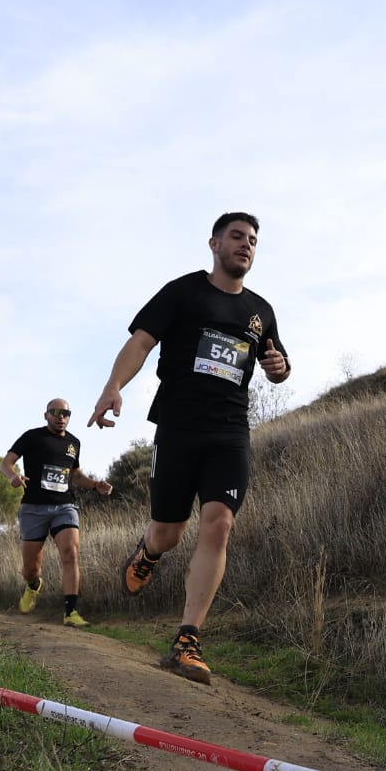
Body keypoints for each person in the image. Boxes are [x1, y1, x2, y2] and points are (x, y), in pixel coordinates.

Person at [93, 212, 290, 684]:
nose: (246, 246)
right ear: (214, 243)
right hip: (179, 428)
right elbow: (140, 343)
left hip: (230, 434)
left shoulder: (260, 311)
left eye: (253, 241)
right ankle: (147, 553)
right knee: (168, 533)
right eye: (237, 237)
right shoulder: (182, 292)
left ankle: (187, 640)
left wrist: (279, 368)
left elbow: (276, 365)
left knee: (219, 523)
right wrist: (113, 387)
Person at [4, 399, 114, 625]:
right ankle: (34, 585)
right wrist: (13, 476)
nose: (60, 416)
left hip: (64, 506)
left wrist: (95, 484)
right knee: (30, 568)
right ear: (46, 415)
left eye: (65, 413)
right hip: (33, 508)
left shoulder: (74, 443)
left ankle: (70, 612)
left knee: (70, 553)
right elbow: (6, 462)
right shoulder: (32, 436)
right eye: (55, 412)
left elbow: (75, 475)